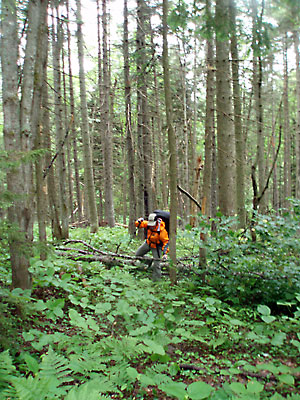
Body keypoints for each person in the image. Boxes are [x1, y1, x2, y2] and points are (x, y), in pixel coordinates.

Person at [135, 213, 169, 281]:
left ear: (156, 222)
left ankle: (156, 281)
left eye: (153, 225)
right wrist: (139, 221)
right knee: (138, 255)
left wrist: (165, 253)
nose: (151, 226)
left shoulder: (162, 231)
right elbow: (139, 225)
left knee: (157, 264)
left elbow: (166, 242)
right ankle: (149, 261)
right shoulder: (148, 224)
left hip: (156, 247)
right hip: (148, 243)